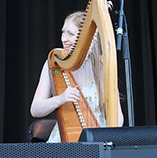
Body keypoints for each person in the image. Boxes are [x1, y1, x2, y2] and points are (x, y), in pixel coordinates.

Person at [30, 11, 124, 142]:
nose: (64, 38)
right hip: (65, 141)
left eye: (70, 34)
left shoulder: (102, 66)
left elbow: (118, 116)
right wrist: (61, 99)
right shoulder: (53, 63)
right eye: (63, 32)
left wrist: (108, 140)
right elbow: (35, 109)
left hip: (99, 138)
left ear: (86, 38)